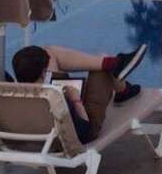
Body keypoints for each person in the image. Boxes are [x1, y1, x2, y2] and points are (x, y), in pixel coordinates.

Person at [10, 44, 146, 143]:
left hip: (43, 132)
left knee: (49, 52)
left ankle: (114, 65)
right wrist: (75, 100)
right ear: (44, 73)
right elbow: (84, 132)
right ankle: (122, 88)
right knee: (101, 65)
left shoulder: (14, 95)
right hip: (82, 129)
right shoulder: (55, 97)